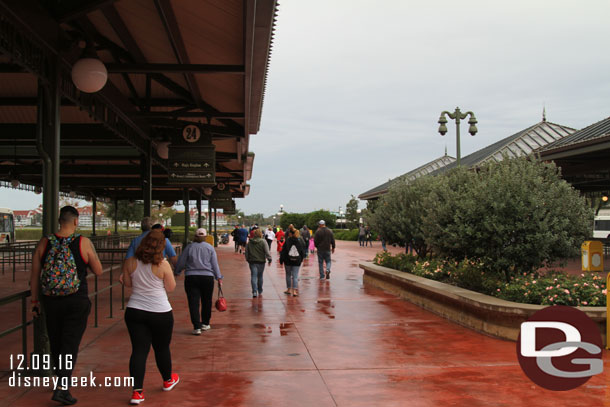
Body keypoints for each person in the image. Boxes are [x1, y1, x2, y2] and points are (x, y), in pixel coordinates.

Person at [30, 206, 103, 405]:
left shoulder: (45, 242)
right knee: (70, 344)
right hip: (76, 300)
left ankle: (59, 380)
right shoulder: (83, 242)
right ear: (76, 221)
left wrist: (35, 301)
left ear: (59, 221)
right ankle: (62, 388)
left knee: (56, 342)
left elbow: (35, 275)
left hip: (51, 300)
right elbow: (98, 270)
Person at [122, 230, 179, 405]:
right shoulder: (163, 264)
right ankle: (168, 380)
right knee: (161, 348)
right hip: (160, 311)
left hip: (135, 310)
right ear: (161, 246)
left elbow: (128, 283)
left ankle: (137, 392)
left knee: (139, 351)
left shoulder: (131, 262)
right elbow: (170, 288)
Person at [175, 228, 223, 334]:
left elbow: (181, 261)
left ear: (195, 236)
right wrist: (218, 277)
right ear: (205, 237)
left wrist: (177, 271)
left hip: (191, 277)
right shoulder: (210, 248)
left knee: (193, 302)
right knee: (207, 301)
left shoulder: (189, 247)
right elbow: (215, 264)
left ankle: (196, 326)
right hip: (207, 278)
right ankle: (205, 323)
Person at [245, 228, 272, 298]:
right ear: (260, 234)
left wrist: (247, 259)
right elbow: (267, 251)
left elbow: (246, 252)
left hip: (252, 261)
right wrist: (269, 259)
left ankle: (254, 291)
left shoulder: (249, 242)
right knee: (260, 276)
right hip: (261, 262)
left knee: (253, 276)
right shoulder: (263, 242)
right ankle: (260, 290)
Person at [279, 227, 306, 296]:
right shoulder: (299, 241)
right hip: (297, 261)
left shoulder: (287, 241)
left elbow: (283, 251)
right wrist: (301, 259)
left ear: (290, 234)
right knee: (295, 276)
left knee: (288, 275)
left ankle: (288, 289)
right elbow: (302, 251)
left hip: (287, 261)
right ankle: (294, 291)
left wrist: (281, 260)